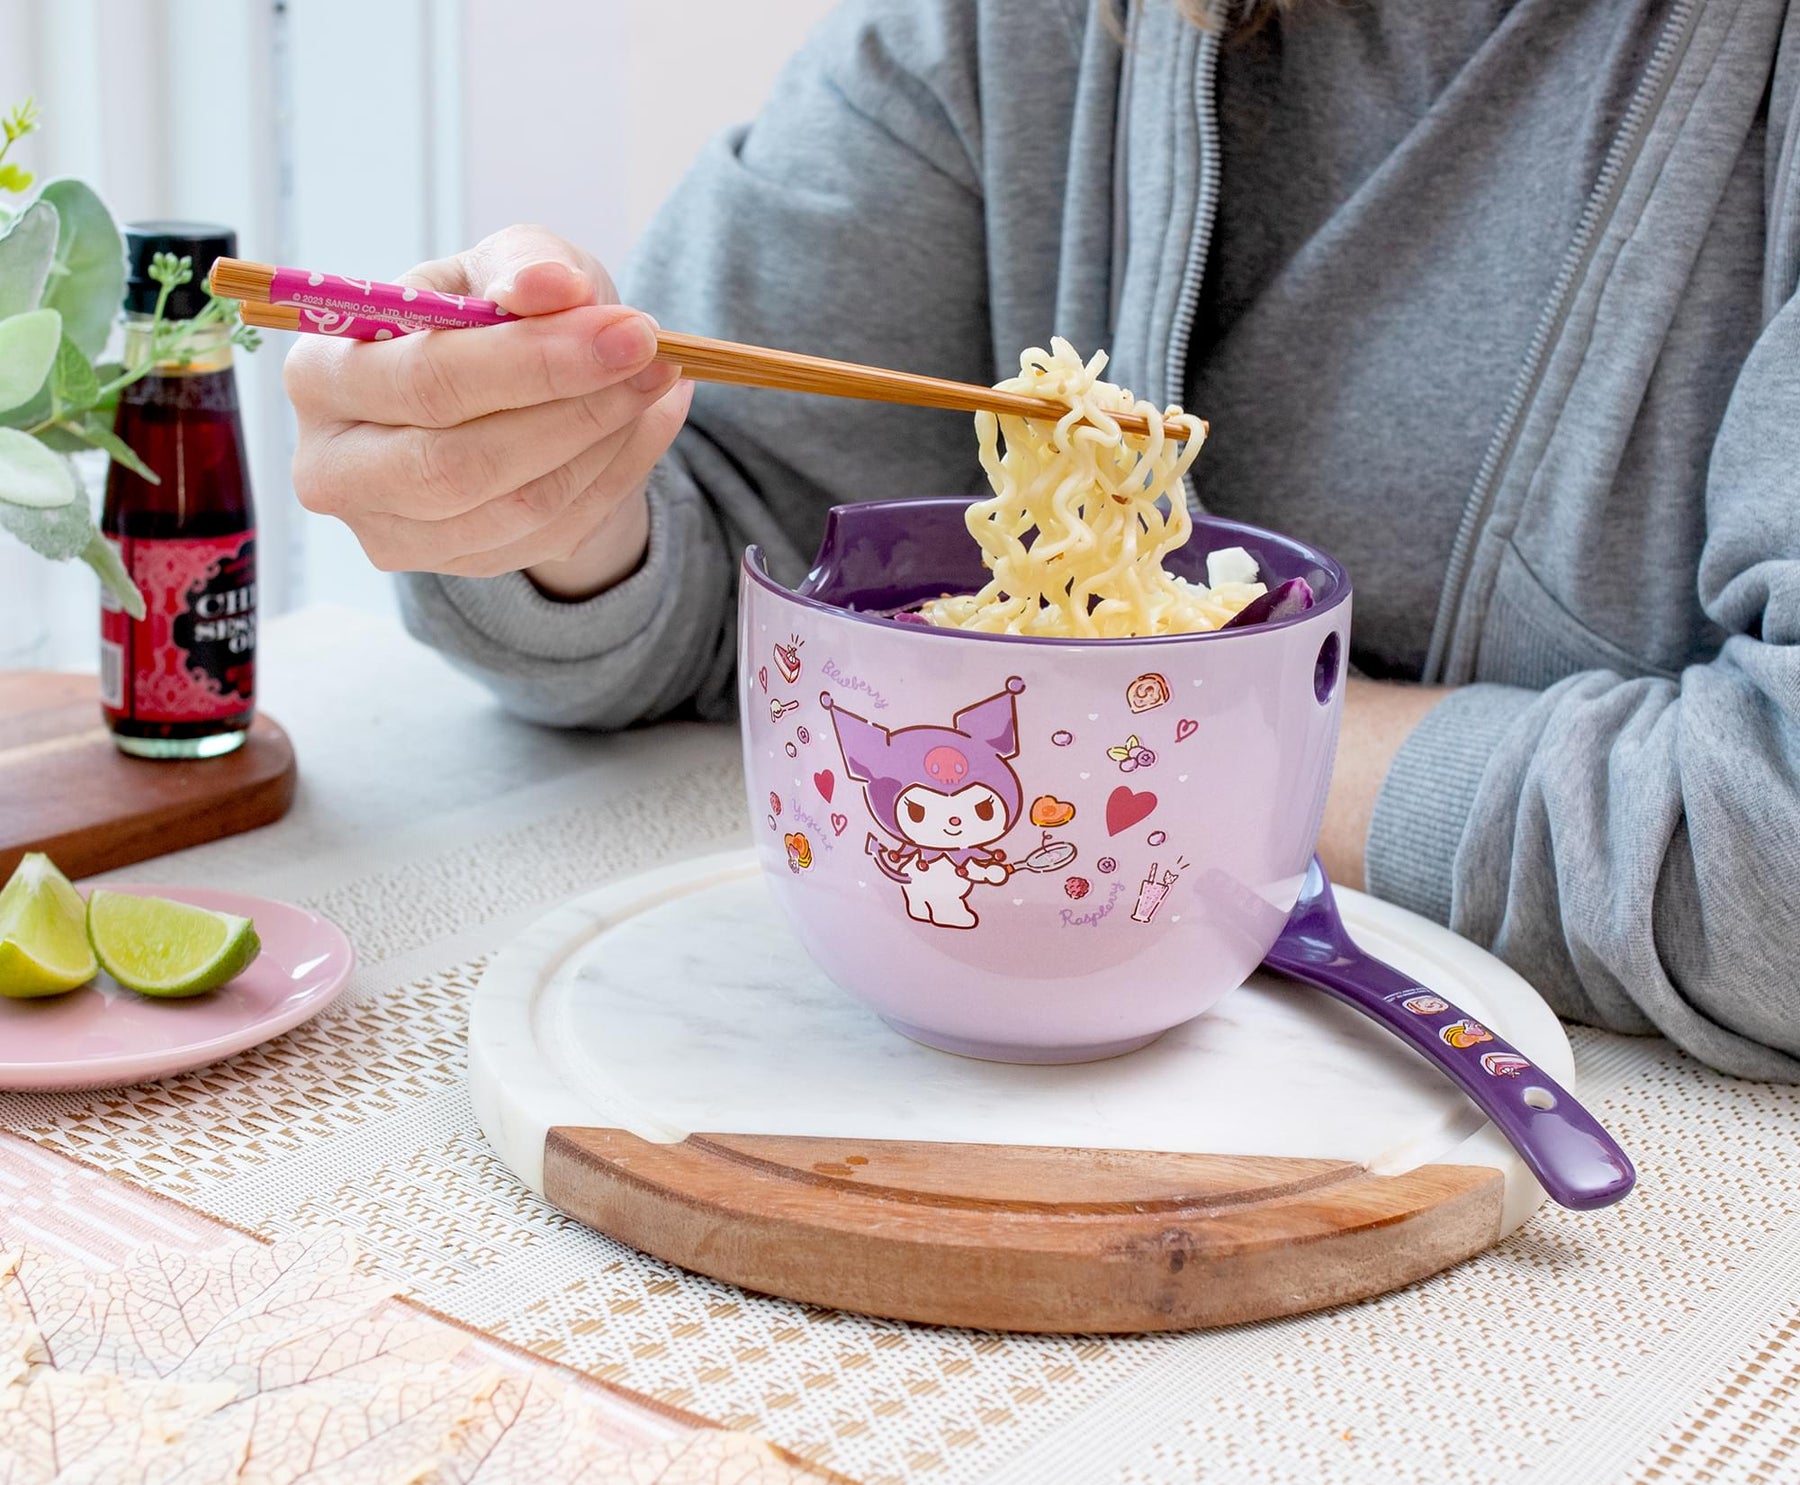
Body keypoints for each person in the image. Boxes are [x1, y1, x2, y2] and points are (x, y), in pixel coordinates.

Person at [284, 0, 1800, 1081]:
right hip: (975, 1063)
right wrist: (557, 502)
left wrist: (1201, 742)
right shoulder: (1008, 34)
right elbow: (728, 540)